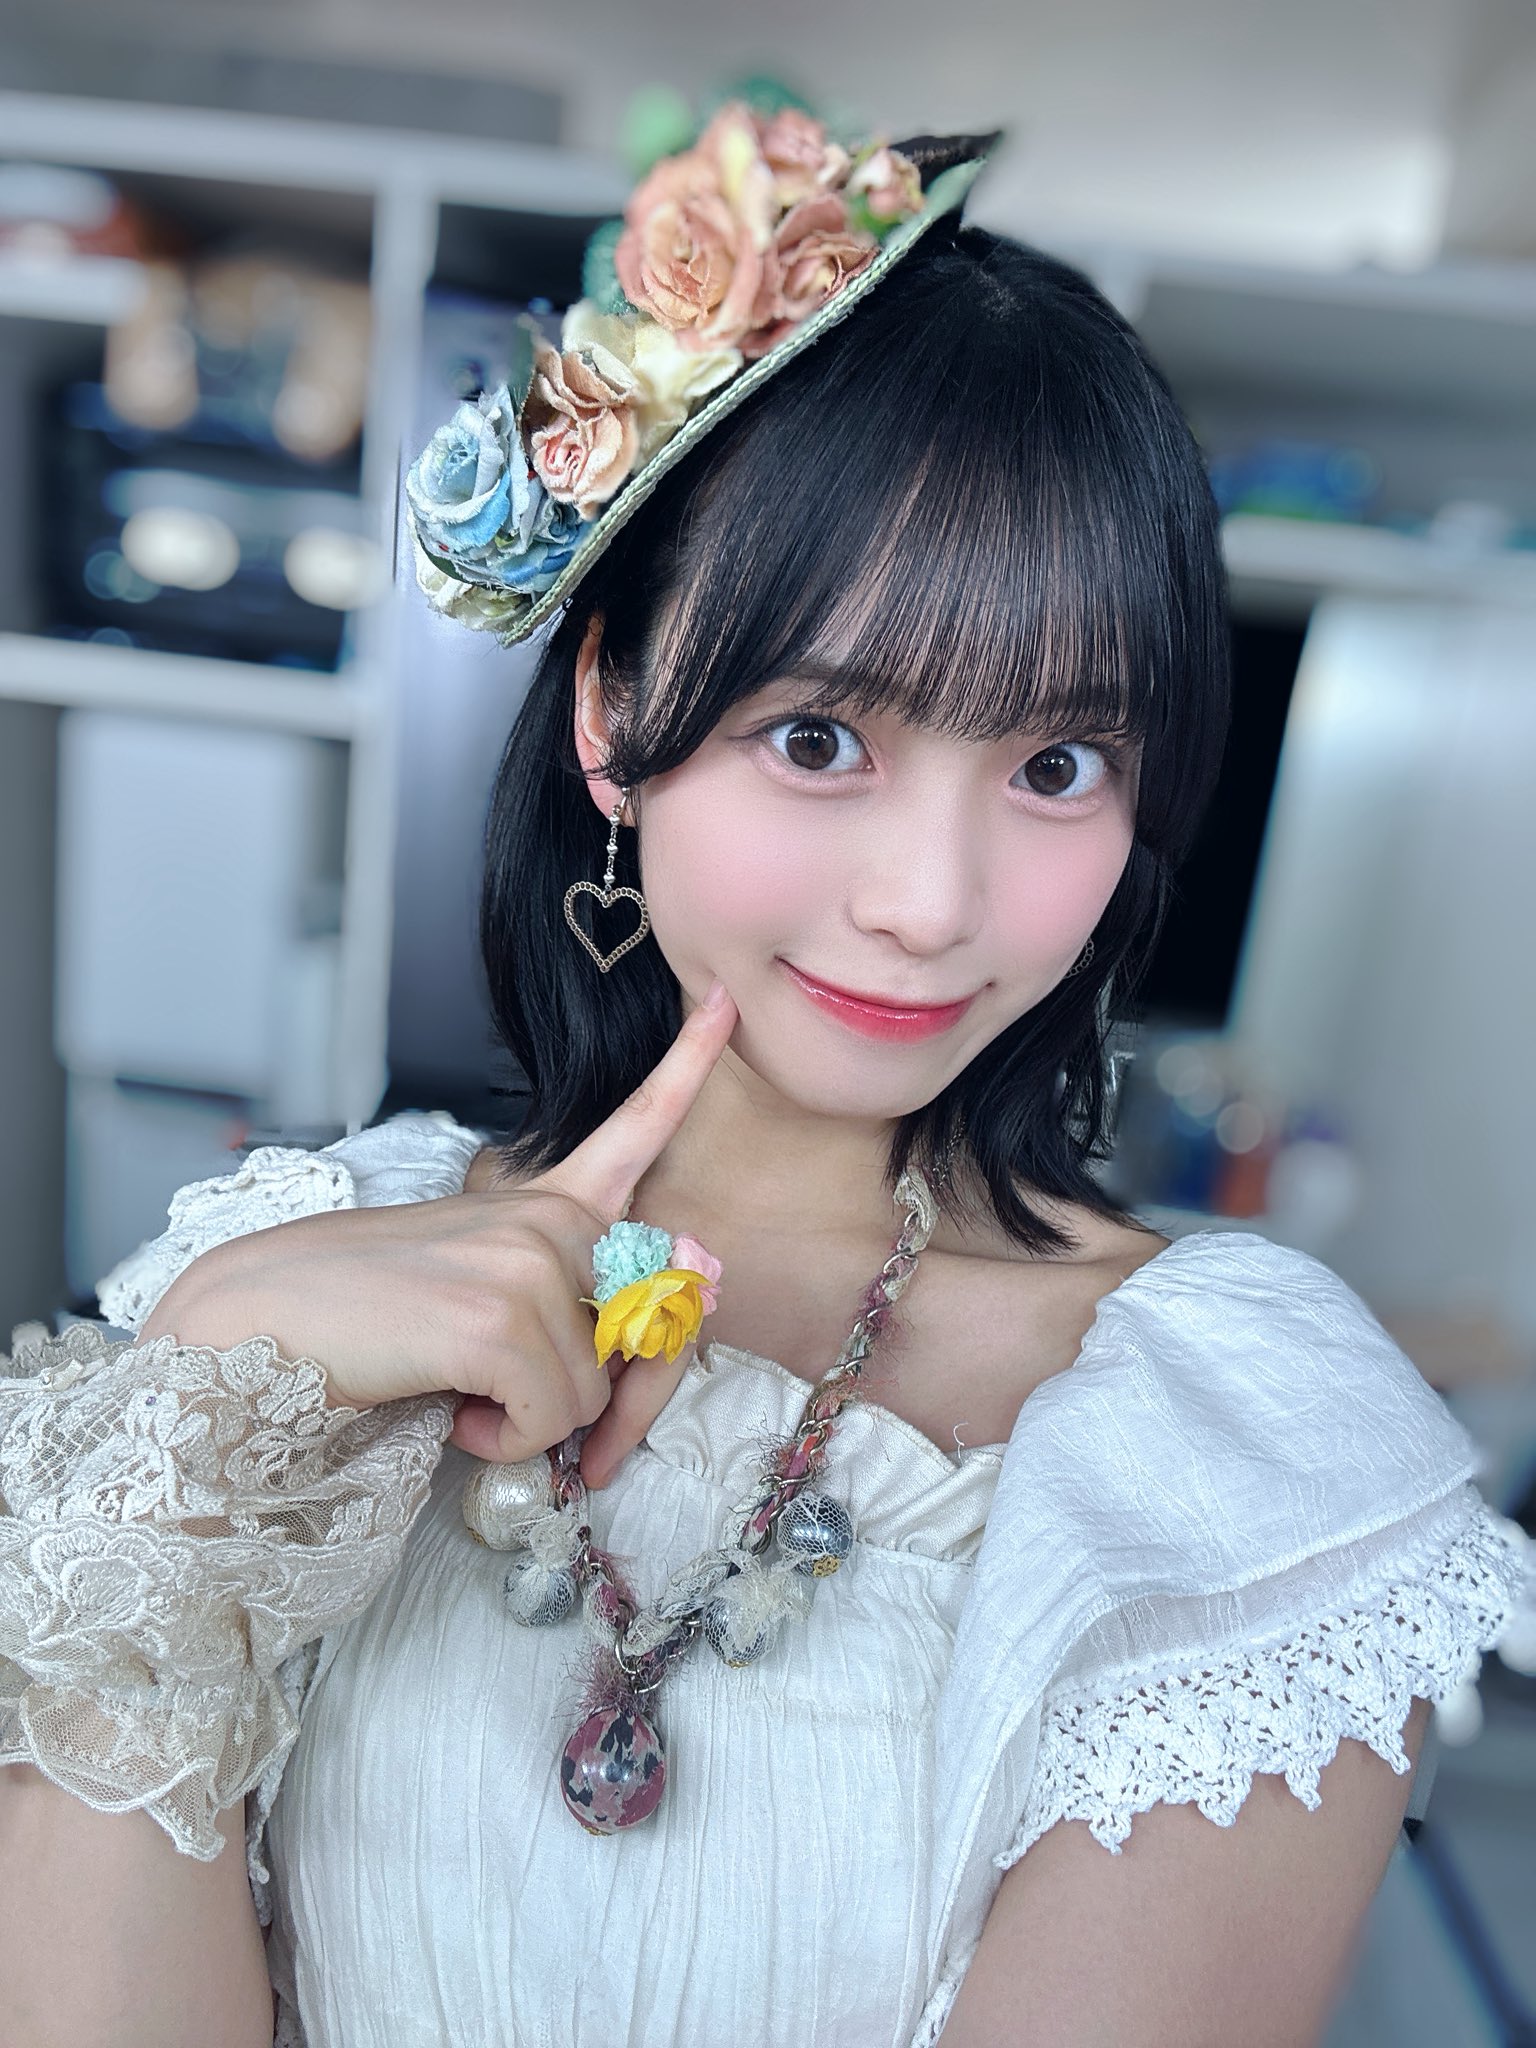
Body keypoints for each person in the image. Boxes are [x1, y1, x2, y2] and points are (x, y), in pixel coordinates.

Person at [1, 108, 1529, 2048]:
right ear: (613, 714)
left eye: (1058, 766)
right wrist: (213, 1384)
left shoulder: (1245, 1446)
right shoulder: (282, 1280)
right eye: (821, 737)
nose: (930, 903)